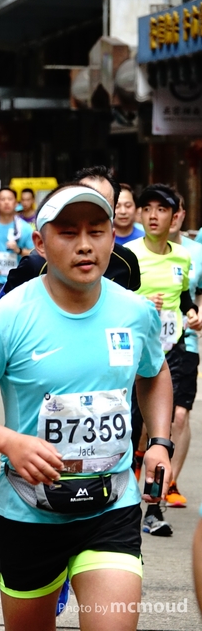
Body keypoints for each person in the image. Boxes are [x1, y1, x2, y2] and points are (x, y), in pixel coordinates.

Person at [0, 184, 174, 631]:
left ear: (112, 238)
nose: (85, 245)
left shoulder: (135, 312)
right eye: (68, 232)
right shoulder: (5, 318)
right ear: (41, 243)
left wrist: (160, 441)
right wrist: (11, 442)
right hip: (29, 510)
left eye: (96, 231)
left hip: (112, 503)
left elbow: (154, 371)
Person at [125, 183, 201, 535]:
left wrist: (192, 312)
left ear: (174, 217)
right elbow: (113, 298)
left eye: (162, 209)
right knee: (134, 429)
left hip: (176, 349)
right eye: (148, 209)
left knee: (170, 425)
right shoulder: (128, 254)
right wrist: (141, 303)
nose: (153, 215)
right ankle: (127, 502)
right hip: (139, 351)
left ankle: (154, 509)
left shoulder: (183, 257)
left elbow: (184, 297)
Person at [0, 166, 141, 298]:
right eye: (82, 201)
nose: (85, 246)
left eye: (101, 206)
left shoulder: (126, 263)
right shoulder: (36, 264)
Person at [165, 192, 202, 507]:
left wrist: (198, 314)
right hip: (149, 345)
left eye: (174, 211)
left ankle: (170, 482)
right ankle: (143, 460)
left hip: (186, 342)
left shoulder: (196, 252)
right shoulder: (138, 251)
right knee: (150, 418)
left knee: (179, 415)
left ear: (181, 215)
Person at [0, 187, 34, 303]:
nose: (6, 202)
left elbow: (34, 254)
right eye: (3, 199)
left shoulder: (25, 228)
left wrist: (19, 250)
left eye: (10, 199)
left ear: (16, 203)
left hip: (18, 281)